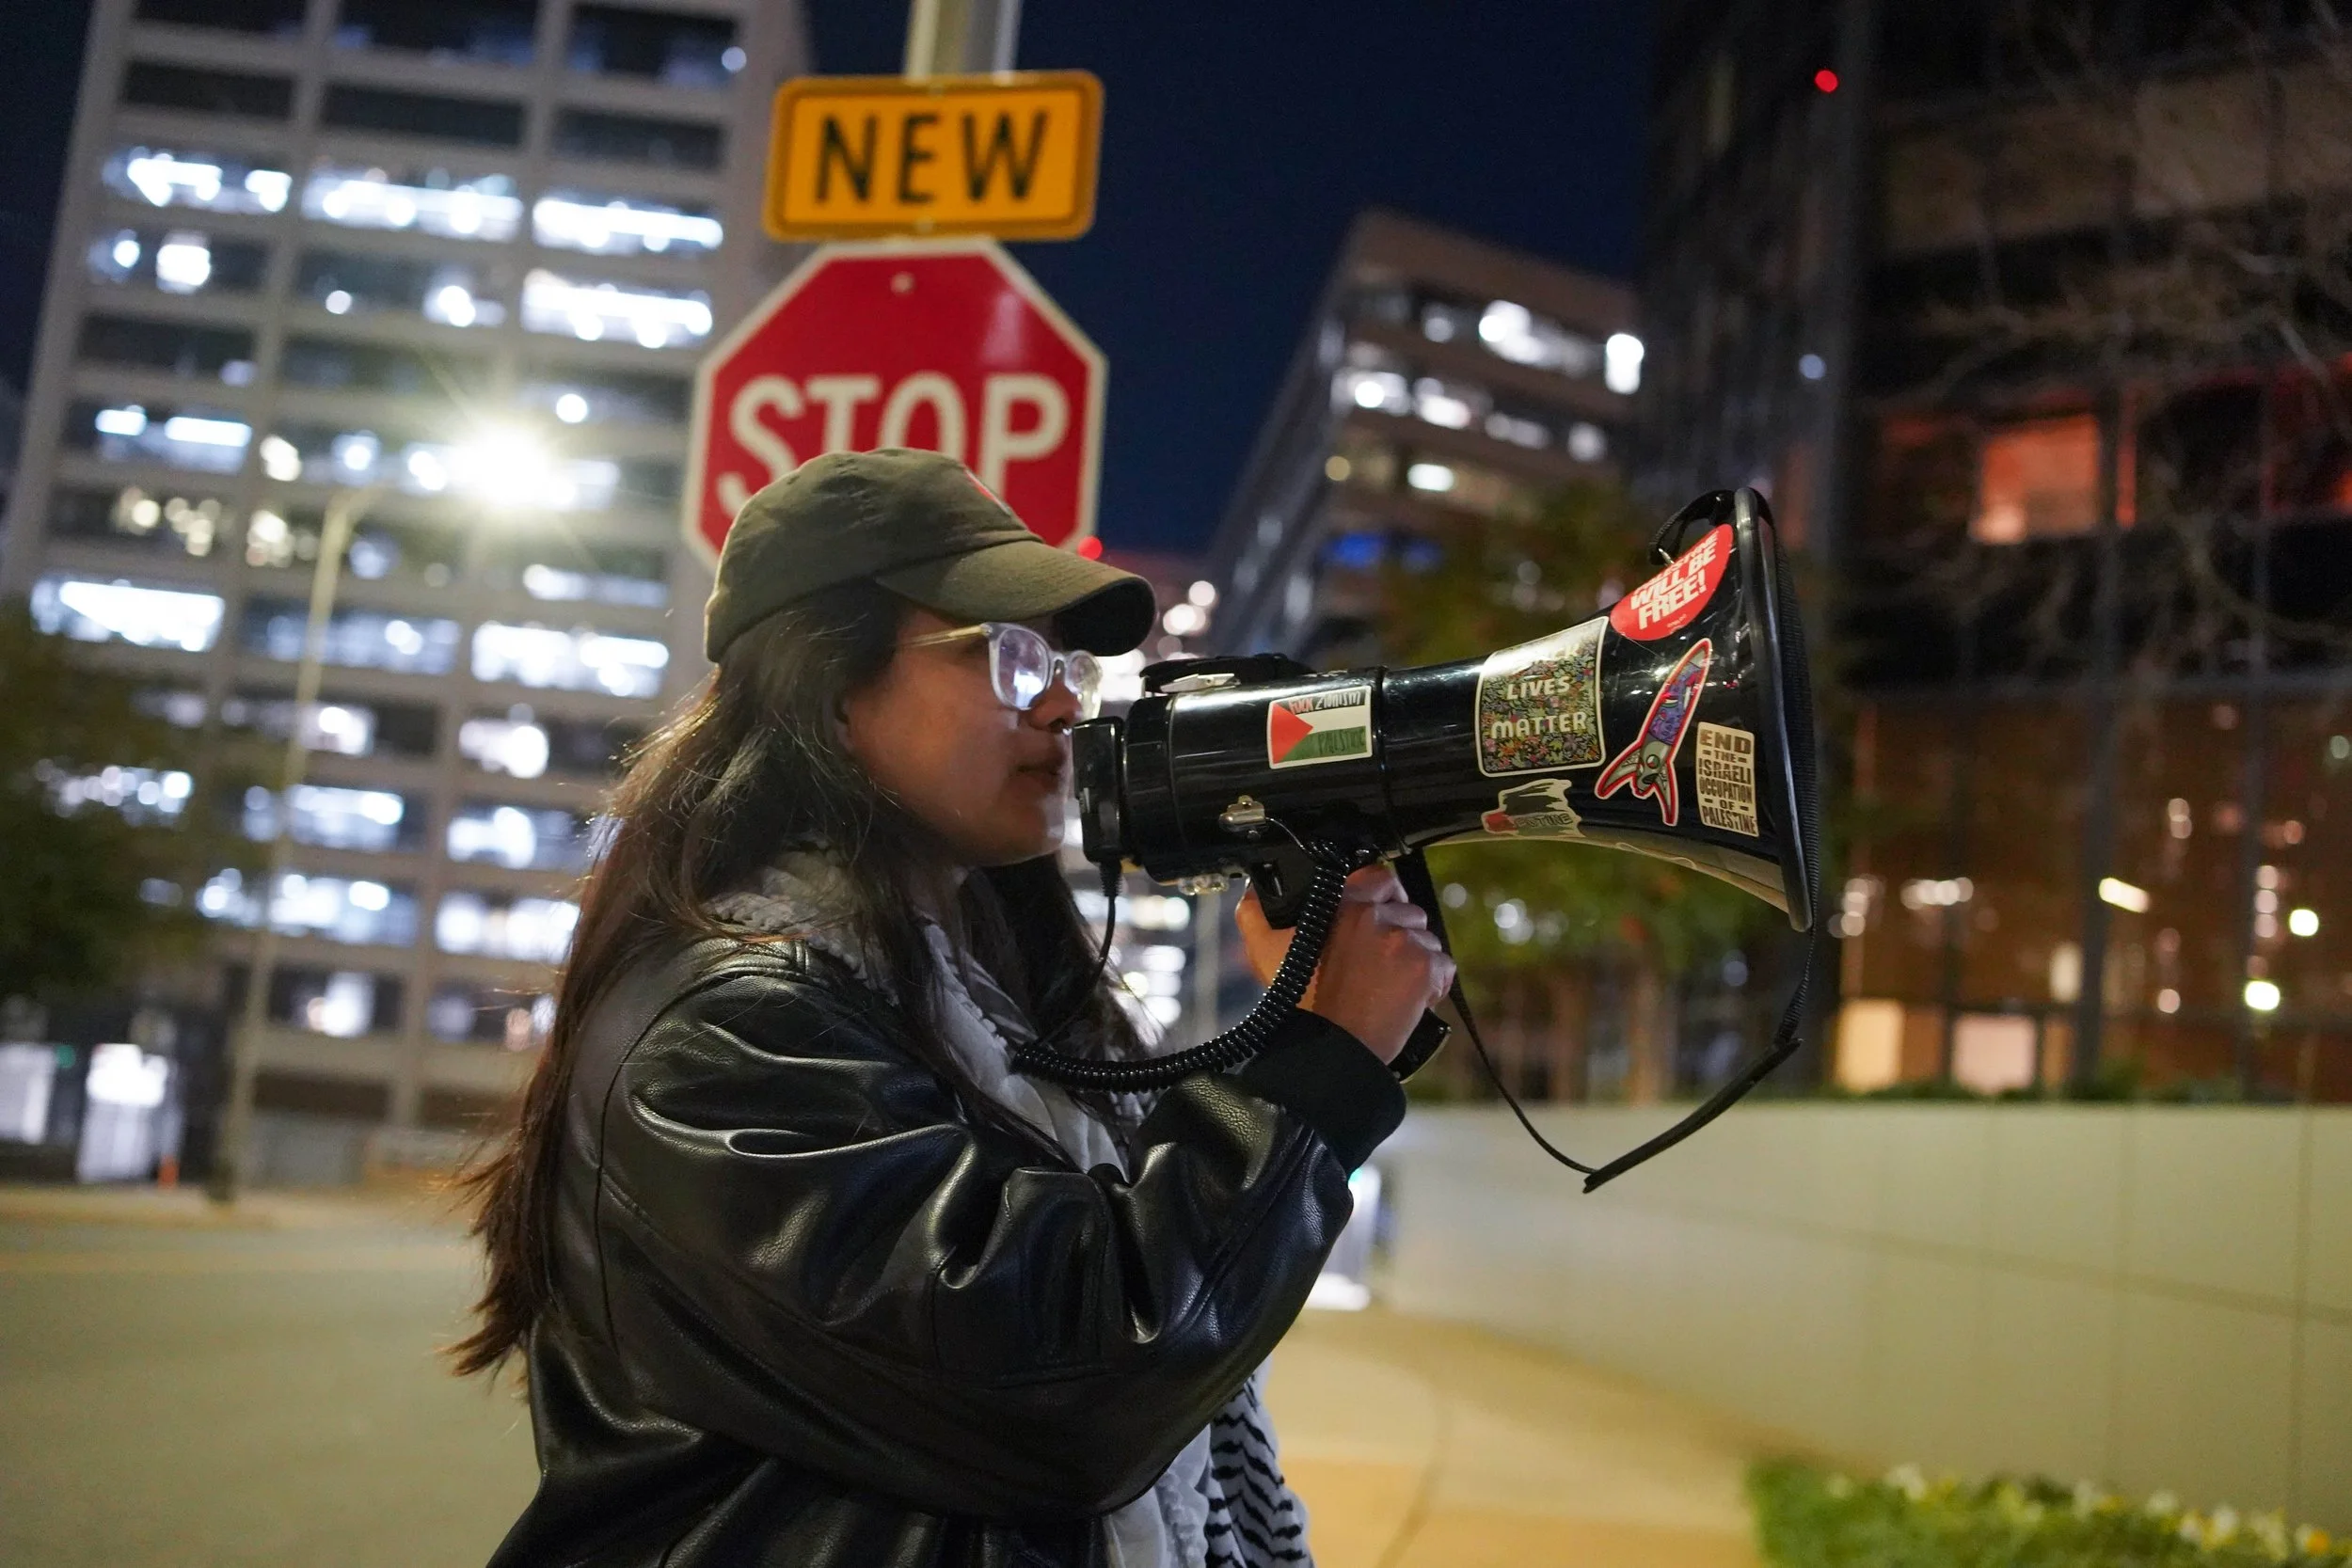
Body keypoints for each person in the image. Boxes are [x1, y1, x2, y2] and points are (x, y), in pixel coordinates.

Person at [453, 449, 1454, 1568]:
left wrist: (1315, 1024)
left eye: (1068, 660)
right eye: (1011, 654)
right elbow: (1065, 1384)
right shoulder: (721, 1028)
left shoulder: (987, 1001)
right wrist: (1313, 1069)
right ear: (831, 691)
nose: (1070, 698)